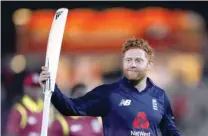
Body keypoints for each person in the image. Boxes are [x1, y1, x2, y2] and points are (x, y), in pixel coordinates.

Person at [39, 38, 181, 136]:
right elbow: (70, 107)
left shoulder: (159, 95)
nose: (132, 64)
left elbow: (170, 130)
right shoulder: (108, 93)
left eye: (138, 60)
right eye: (128, 60)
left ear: (149, 64)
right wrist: (51, 87)